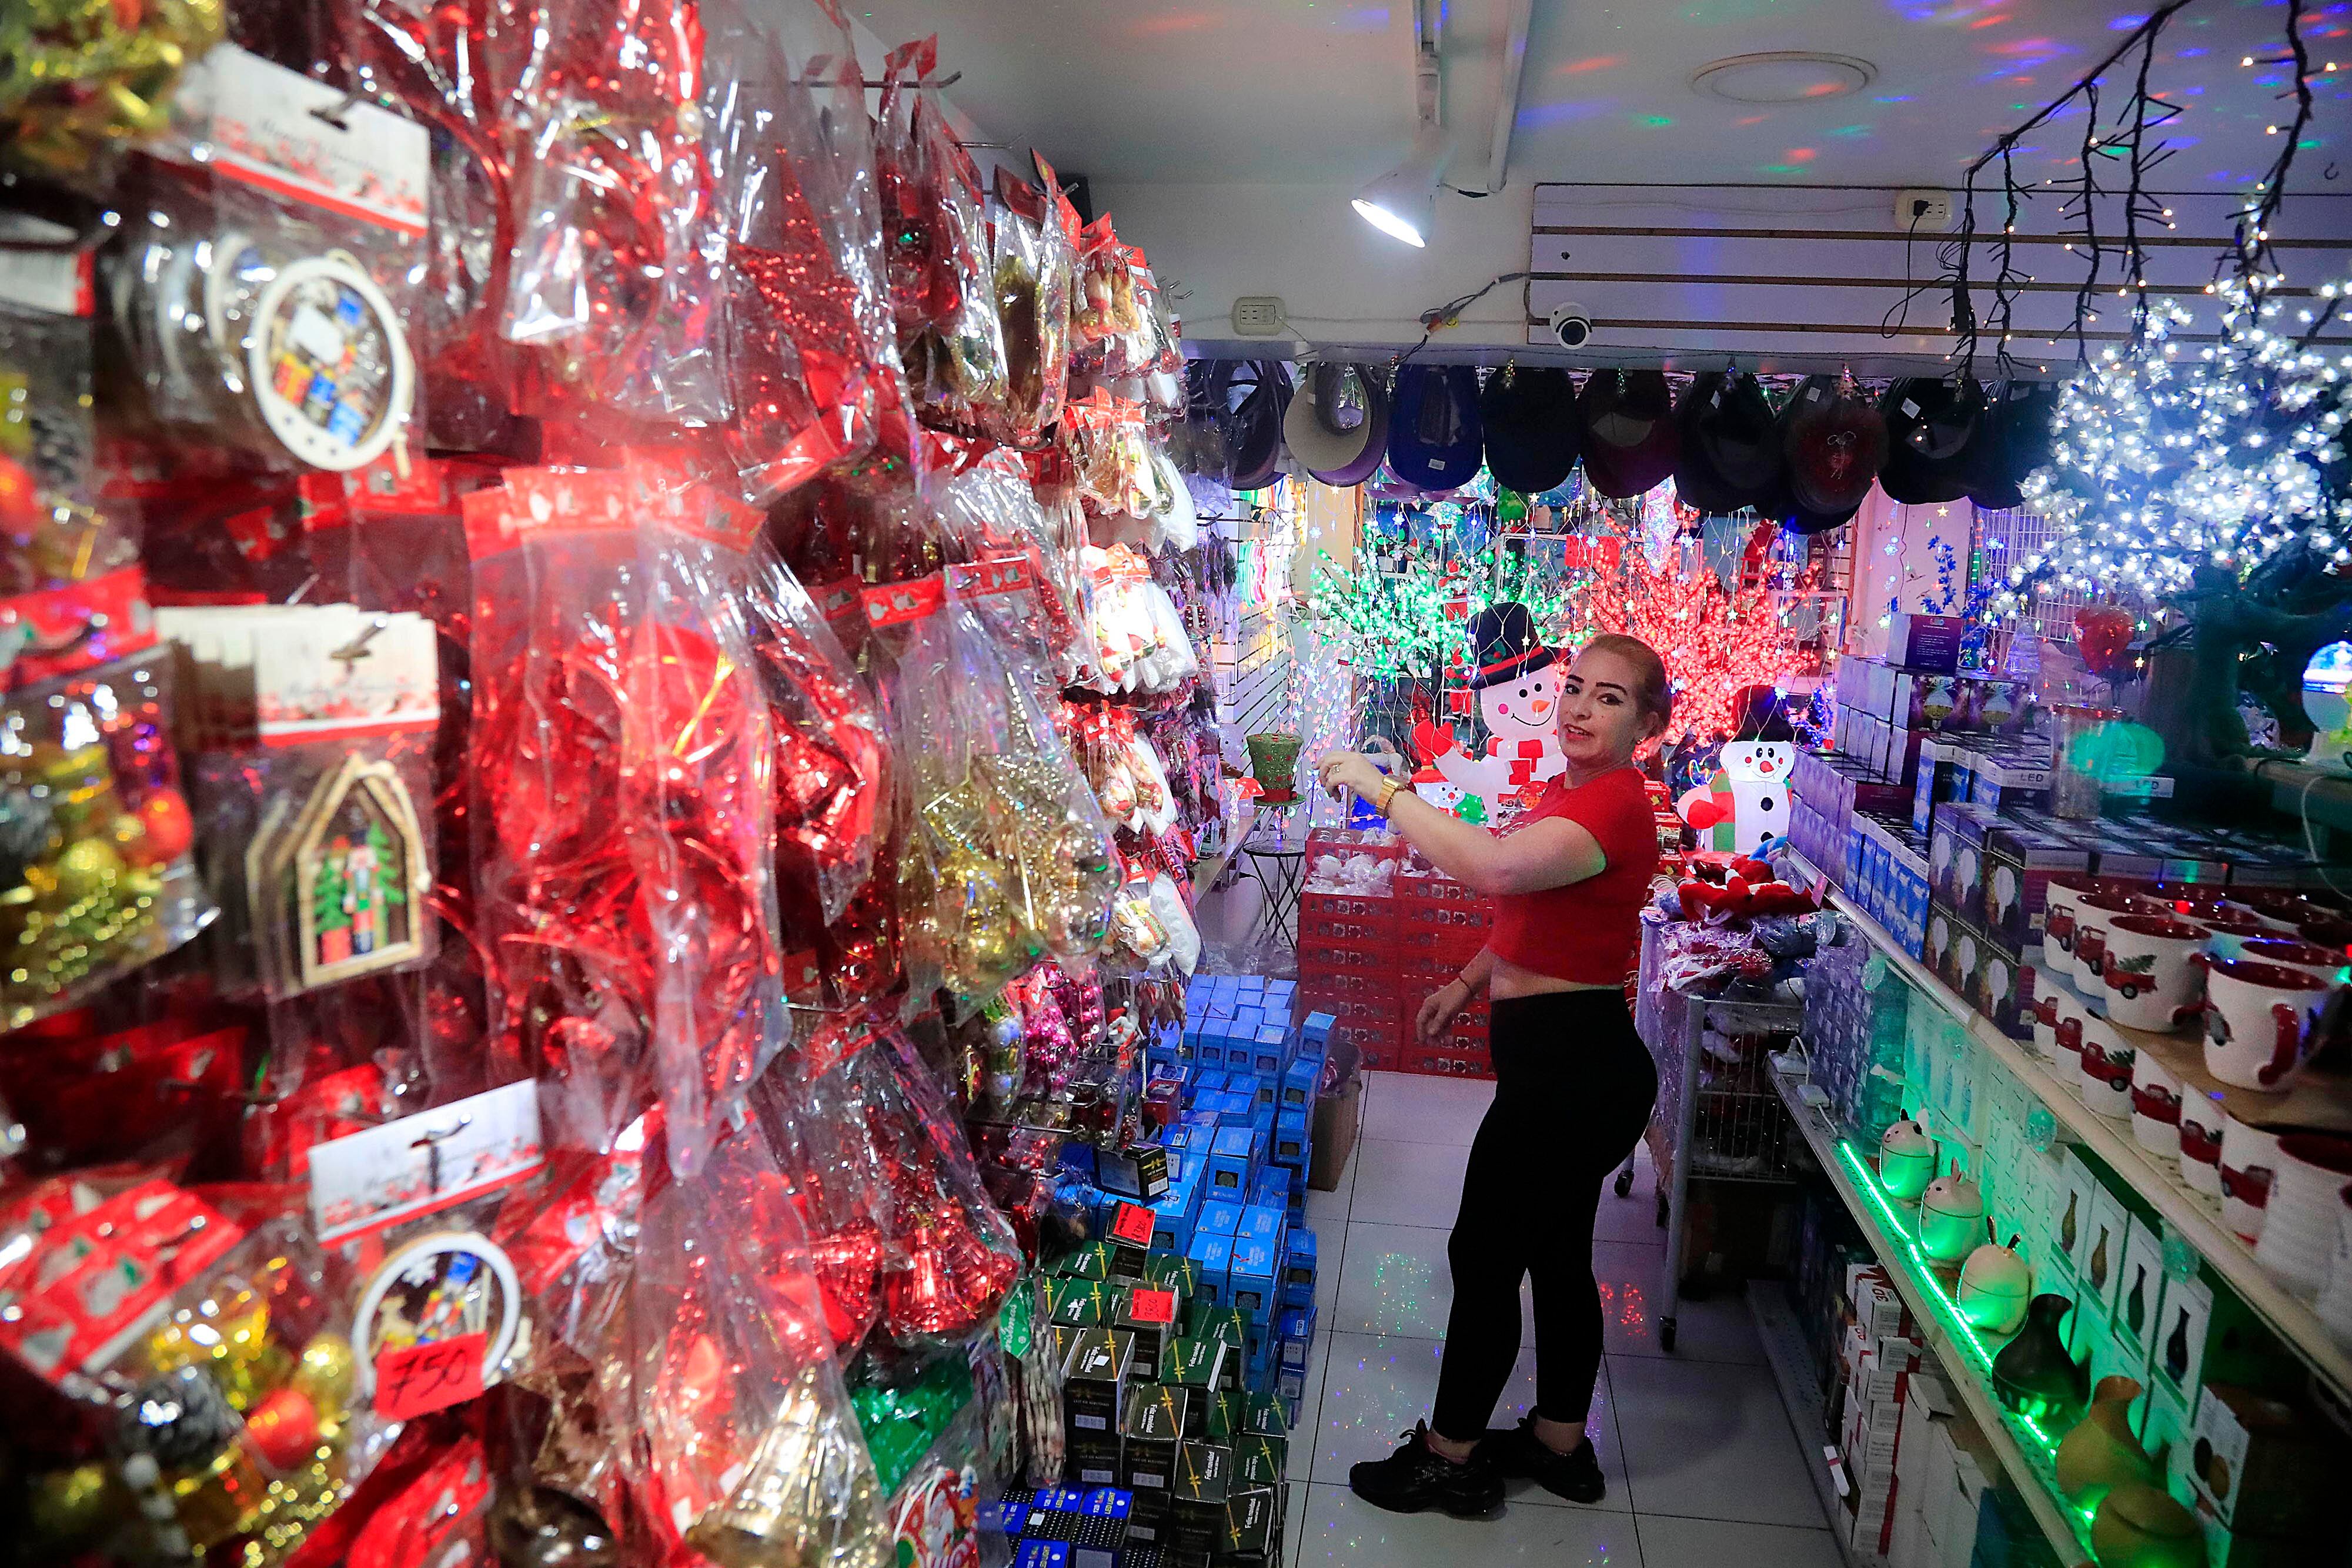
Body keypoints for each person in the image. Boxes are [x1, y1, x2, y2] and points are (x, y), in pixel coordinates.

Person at [1313, 630, 1670, 1519]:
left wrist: (1384, 790)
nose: (1578, 708)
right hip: (1567, 1063)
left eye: (1610, 698)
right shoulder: (1572, 791)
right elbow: (1530, 910)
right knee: (1556, 1254)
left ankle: (1451, 1459)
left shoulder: (1616, 805)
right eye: (1574, 687)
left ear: (1648, 726)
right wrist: (1469, 981)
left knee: (1482, 1256)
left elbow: (1493, 867)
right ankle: (1559, 1444)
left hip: (1573, 1073)